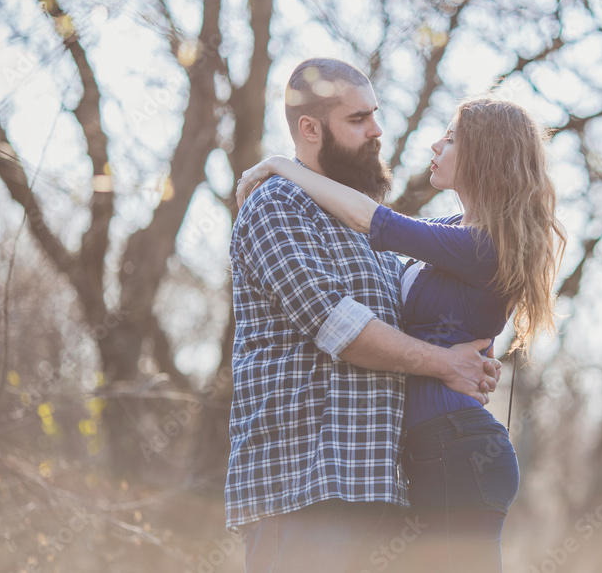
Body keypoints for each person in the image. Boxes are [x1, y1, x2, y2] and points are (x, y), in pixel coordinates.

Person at [237, 94, 566, 573]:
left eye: (451, 139)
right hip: (430, 447)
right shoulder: (455, 232)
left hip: (456, 447)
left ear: (485, 154)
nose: (436, 144)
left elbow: (376, 223)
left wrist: (284, 168)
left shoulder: (484, 246)